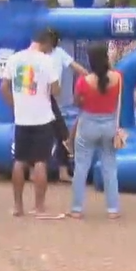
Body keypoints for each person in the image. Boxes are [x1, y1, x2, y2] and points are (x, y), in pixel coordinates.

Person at [1, 29, 61, 219]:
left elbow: (4, 87)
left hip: (22, 118)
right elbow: (56, 90)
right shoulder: (47, 61)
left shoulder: (14, 59)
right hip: (42, 117)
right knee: (40, 162)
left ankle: (18, 207)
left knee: (19, 161)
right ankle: (39, 207)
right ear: (47, 43)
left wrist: (14, 104)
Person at [67, 42, 124, 219]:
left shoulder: (83, 82)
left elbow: (77, 102)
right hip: (109, 126)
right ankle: (113, 209)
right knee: (110, 167)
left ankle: (76, 208)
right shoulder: (118, 77)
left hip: (88, 125)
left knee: (81, 167)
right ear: (106, 57)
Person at [50, 31, 88, 182]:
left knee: (61, 134)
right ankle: (62, 170)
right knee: (63, 135)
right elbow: (79, 69)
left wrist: (86, 76)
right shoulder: (51, 53)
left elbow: (78, 68)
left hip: (50, 98)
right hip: (46, 98)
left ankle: (61, 170)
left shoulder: (58, 53)